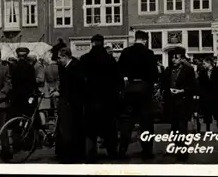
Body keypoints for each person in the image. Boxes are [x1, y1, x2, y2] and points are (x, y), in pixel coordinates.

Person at [80, 34, 122, 162]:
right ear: (103, 43)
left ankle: (90, 153)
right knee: (110, 128)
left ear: (92, 43)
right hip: (108, 100)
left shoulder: (85, 59)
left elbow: (80, 80)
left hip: (90, 99)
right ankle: (112, 152)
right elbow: (118, 80)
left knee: (90, 129)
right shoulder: (110, 60)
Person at [117, 30, 158, 160]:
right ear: (145, 40)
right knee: (146, 123)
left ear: (135, 39)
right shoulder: (149, 54)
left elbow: (119, 72)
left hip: (129, 90)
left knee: (127, 123)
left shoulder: (126, 52)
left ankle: (122, 150)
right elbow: (154, 75)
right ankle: (147, 151)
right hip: (144, 92)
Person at [162, 50, 197, 160]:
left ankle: (183, 151)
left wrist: (181, 91)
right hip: (171, 102)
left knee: (182, 127)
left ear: (182, 59)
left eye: (176, 58)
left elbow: (193, 87)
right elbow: (164, 83)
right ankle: (177, 147)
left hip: (183, 102)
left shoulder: (189, 70)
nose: (173, 60)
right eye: (172, 58)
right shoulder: (168, 70)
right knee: (174, 127)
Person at [55, 47, 86, 164]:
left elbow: (74, 87)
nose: (58, 60)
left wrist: (60, 93)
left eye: (59, 58)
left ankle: (71, 155)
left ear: (65, 56)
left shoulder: (74, 68)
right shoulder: (70, 66)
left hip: (72, 104)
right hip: (70, 103)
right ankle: (71, 154)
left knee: (69, 130)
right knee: (70, 129)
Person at [198, 56, 218, 133]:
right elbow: (200, 84)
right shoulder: (202, 72)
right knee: (207, 113)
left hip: (216, 95)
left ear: (209, 63)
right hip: (206, 96)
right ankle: (208, 129)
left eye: (204, 63)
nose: (203, 65)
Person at [9, 47, 38, 119]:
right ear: (26, 56)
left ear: (17, 56)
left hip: (16, 96)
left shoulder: (13, 67)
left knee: (16, 115)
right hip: (27, 96)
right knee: (28, 115)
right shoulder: (30, 67)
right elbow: (33, 83)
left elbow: (11, 81)